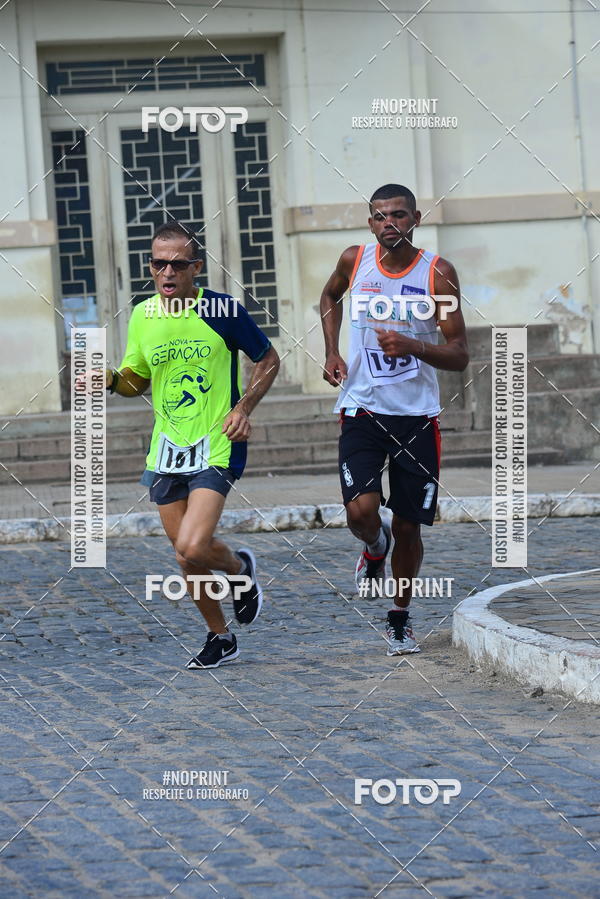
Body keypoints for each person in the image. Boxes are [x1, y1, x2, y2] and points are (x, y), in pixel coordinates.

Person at [105, 221, 279, 668]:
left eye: (176, 265)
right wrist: (109, 381)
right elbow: (136, 380)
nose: (166, 273)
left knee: (195, 545)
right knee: (184, 555)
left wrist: (243, 408)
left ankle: (240, 569)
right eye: (158, 264)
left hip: (216, 444)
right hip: (165, 449)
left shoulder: (222, 311)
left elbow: (268, 360)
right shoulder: (142, 316)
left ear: (195, 267)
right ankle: (219, 637)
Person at [320, 184, 468, 655]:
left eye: (399, 216)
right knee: (362, 513)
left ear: (416, 219)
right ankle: (372, 548)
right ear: (371, 223)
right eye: (381, 217)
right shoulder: (354, 260)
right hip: (362, 409)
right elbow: (329, 296)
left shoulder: (436, 274)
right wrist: (331, 351)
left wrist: (414, 346)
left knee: (409, 525)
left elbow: (460, 354)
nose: (390, 224)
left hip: (416, 417)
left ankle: (400, 618)